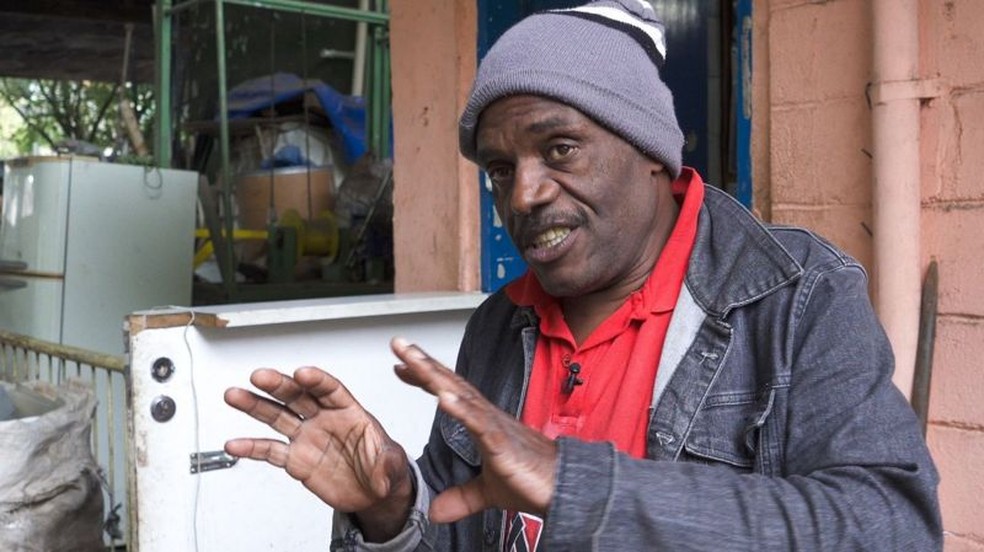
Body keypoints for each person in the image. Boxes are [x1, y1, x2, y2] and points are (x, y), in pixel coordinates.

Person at [224, 1, 942, 550]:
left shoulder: (795, 296)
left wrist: (582, 487)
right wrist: (391, 508)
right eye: (500, 169)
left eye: (560, 149)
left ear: (650, 151)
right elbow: (458, 523)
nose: (524, 194)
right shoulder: (501, 324)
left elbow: (893, 527)